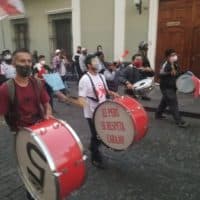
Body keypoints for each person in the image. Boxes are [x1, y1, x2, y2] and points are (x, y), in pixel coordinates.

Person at [0, 49, 52, 200]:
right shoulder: (5, 89)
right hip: (21, 135)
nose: (27, 64)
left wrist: (48, 112)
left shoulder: (37, 83)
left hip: (41, 131)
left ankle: (47, 192)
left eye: (29, 61)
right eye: (22, 61)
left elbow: (46, 102)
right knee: (30, 171)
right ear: (14, 63)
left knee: (45, 165)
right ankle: (33, 196)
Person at [78, 54, 119, 169]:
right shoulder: (84, 79)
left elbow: (105, 90)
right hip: (91, 113)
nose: (98, 63)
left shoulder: (101, 76)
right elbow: (81, 97)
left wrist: (112, 93)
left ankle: (93, 147)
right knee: (97, 135)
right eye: (95, 61)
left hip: (102, 110)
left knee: (100, 134)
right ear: (89, 65)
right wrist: (84, 104)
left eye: (97, 61)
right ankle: (95, 157)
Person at [155, 49, 189, 128]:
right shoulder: (165, 64)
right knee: (173, 103)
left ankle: (158, 115)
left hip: (172, 87)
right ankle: (179, 121)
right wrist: (169, 73)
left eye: (175, 55)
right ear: (167, 57)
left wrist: (184, 72)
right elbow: (160, 74)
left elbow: (176, 74)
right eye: (172, 55)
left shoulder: (175, 64)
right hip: (166, 87)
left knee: (164, 102)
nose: (174, 56)